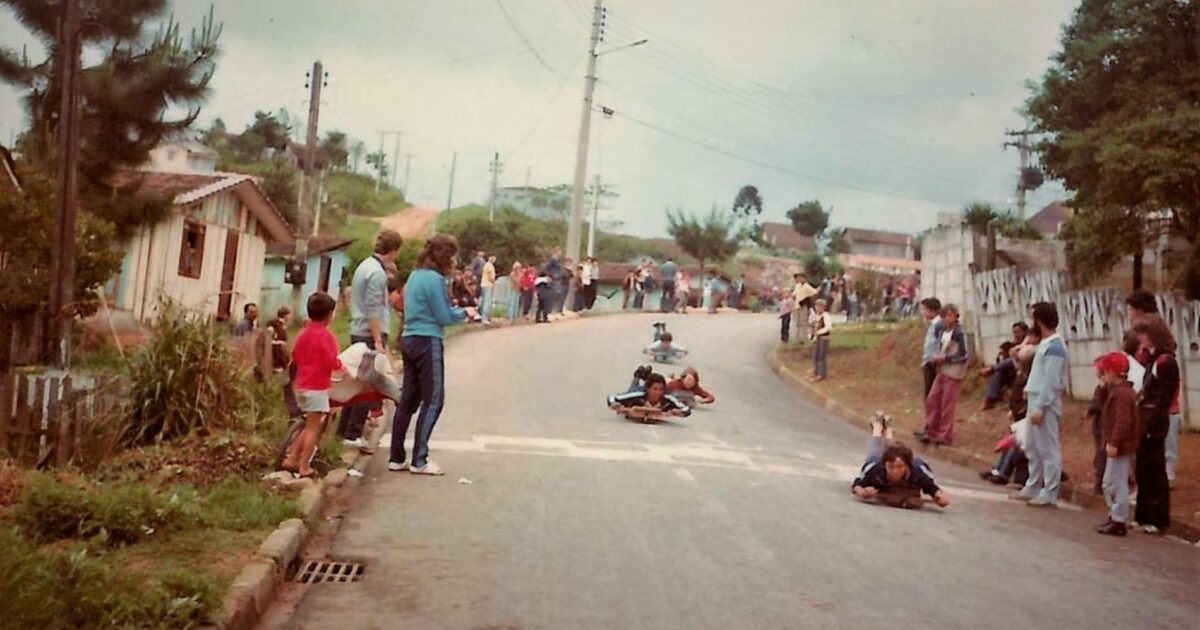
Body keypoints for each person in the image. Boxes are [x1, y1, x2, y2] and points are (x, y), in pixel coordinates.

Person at [389, 235, 477, 476]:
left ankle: (396, 456)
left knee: (408, 399)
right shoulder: (436, 280)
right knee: (434, 400)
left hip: (408, 337)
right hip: (428, 339)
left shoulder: (415, 276)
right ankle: (420, 458)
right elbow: (444, 315)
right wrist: (465, 313)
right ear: (445, 257)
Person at [337, 229, 403, 449]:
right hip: (369, 332)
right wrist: (378, 341)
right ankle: (354, 433)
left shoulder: (364, 266)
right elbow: (374, 309)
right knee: (366, 386)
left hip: (358, 328)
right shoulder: (377, 273)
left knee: (355, 383)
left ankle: (344, 431)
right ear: (393, 251)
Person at [1010, 302, 1068, 508]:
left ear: (1040, 320)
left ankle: (1050, 491)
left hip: (1045, 402)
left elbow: (1051, 381)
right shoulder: (1045, 344)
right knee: (1033, 446)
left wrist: (1040, 407)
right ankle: (1033, 484)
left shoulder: (1055, 347)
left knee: (1048, 448)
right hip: (1035, 397)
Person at [282, 292, 344, 479]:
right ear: (329, 314)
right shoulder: (326, 336)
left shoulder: (303, 333)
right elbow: (331, 361)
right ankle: (303, 466)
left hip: (301, 385)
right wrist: (341, 366)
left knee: (309, 423)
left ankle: (292, 458)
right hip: (317, 387)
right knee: (313, 429)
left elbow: (297, 356)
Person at [1125, 290, 1180, 489]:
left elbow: (1163, 396)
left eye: (1131, 309)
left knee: (1156, 449)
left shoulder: (1163, 359)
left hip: (1155, 404)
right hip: (1148, 397)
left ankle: (1161, 484)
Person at [1132, 321, 1177, 534]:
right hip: (1147, 419)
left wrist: (1152, 422)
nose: (1140, 339)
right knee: (1143, 469)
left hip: (1154, 422)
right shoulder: (1153, 360)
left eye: (1143, 335)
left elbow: (1163, 398)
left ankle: (1157, 517)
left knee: (1154, 469)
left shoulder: (1165, 362)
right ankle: (1144, 515)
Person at [852, 414, 950, 509]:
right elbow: (857, 485)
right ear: (884, 464)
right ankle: (877, 427)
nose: (895, 471)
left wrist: (940, 497)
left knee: (894, 448)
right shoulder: (875, 470)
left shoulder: (918, 471)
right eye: (890, 466)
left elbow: (932, 488)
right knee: (874, 450)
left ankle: (889, 428)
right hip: (875, 460)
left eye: (899, 467)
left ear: (907, 464)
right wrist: (862, 492)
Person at [1094, 352, 1139, 536]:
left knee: (1115, 483)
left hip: (1120, 445)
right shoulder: (1119, 392)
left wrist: (1114, 442)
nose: (1103, 377)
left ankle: (1119, 518)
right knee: (1112, 482)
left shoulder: (1122, 394)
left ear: (1113, 373)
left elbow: (1123, 421)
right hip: (1117, 444)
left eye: (1105, 373)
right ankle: (1116, 515)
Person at [919, 304, 968, 446]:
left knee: (947, 404)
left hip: (953, 371)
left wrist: (947, 359)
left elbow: (964, 354)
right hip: (942, 370)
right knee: (933, 399)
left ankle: (946, 435)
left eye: (950, 316)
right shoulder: (942, 331)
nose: (947, 319)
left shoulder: (959, 333)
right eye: (944, 316)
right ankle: (932, 430)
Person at [980, 321, 1030, 410]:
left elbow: (1014, 361)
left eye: (1018, 332)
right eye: (1014, 332)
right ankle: (990, 399)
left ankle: (991, 370)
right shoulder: (1012, 345)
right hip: (1014, 374)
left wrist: (993, 368)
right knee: (1000, 372)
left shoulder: (1029, 345)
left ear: (1025, 332)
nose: (1015, 335)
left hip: (1026, 374)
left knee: (1007, 364)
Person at [607, 372, 691, 418]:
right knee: (632, 389)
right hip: (636, 392)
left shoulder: (667, 398)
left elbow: (686, 409)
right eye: (654, 389)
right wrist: (615, 404)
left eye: (661, 389)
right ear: (648, 389)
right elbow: (612, 397)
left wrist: (679, 412)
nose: (658, 392)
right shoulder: (638, 395)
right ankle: (638, 376)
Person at [809, 298, 832, 381]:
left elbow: (828, 327)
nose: (818, 308)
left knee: (821, 356)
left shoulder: (826, 316)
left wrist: (819, 332)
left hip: (823, 338)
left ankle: (821, 374)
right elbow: (812, 326)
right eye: (817, 306)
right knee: (816, 356)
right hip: (817, 338)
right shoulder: (815, 316)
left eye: (820, 307)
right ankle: (816, 372)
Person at [266, 306, 292, 373]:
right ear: (285, 315)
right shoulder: (277, 324)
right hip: (277, 349)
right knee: (279, 367)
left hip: (280, 349)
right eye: (288, 315)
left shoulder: (282, 324)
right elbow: (270, 334)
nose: (290, 317)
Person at [479, 253, 497, 324]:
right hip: (488, 285)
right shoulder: (489, 265)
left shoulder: (488, 265)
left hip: (485, 284)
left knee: (485, 301)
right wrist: (494, 283)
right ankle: (485, 318)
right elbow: (491, 277)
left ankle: (486, 317)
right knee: (487, 302)